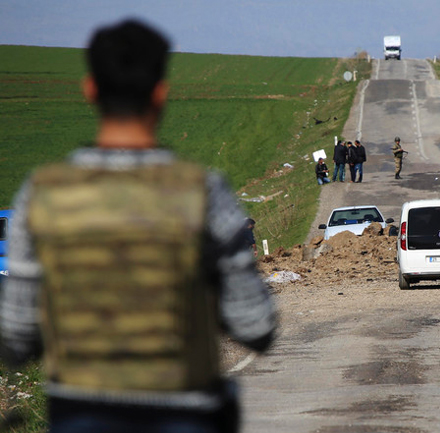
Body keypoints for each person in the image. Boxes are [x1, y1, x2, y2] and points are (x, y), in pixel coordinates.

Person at [0, 20, 277, 433]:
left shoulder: (40, 196)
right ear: (161, 93)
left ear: (90, 89)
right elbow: (256, 326)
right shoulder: (204, 193)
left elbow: (16, 336)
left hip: (80, 411)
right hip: (186, 412)